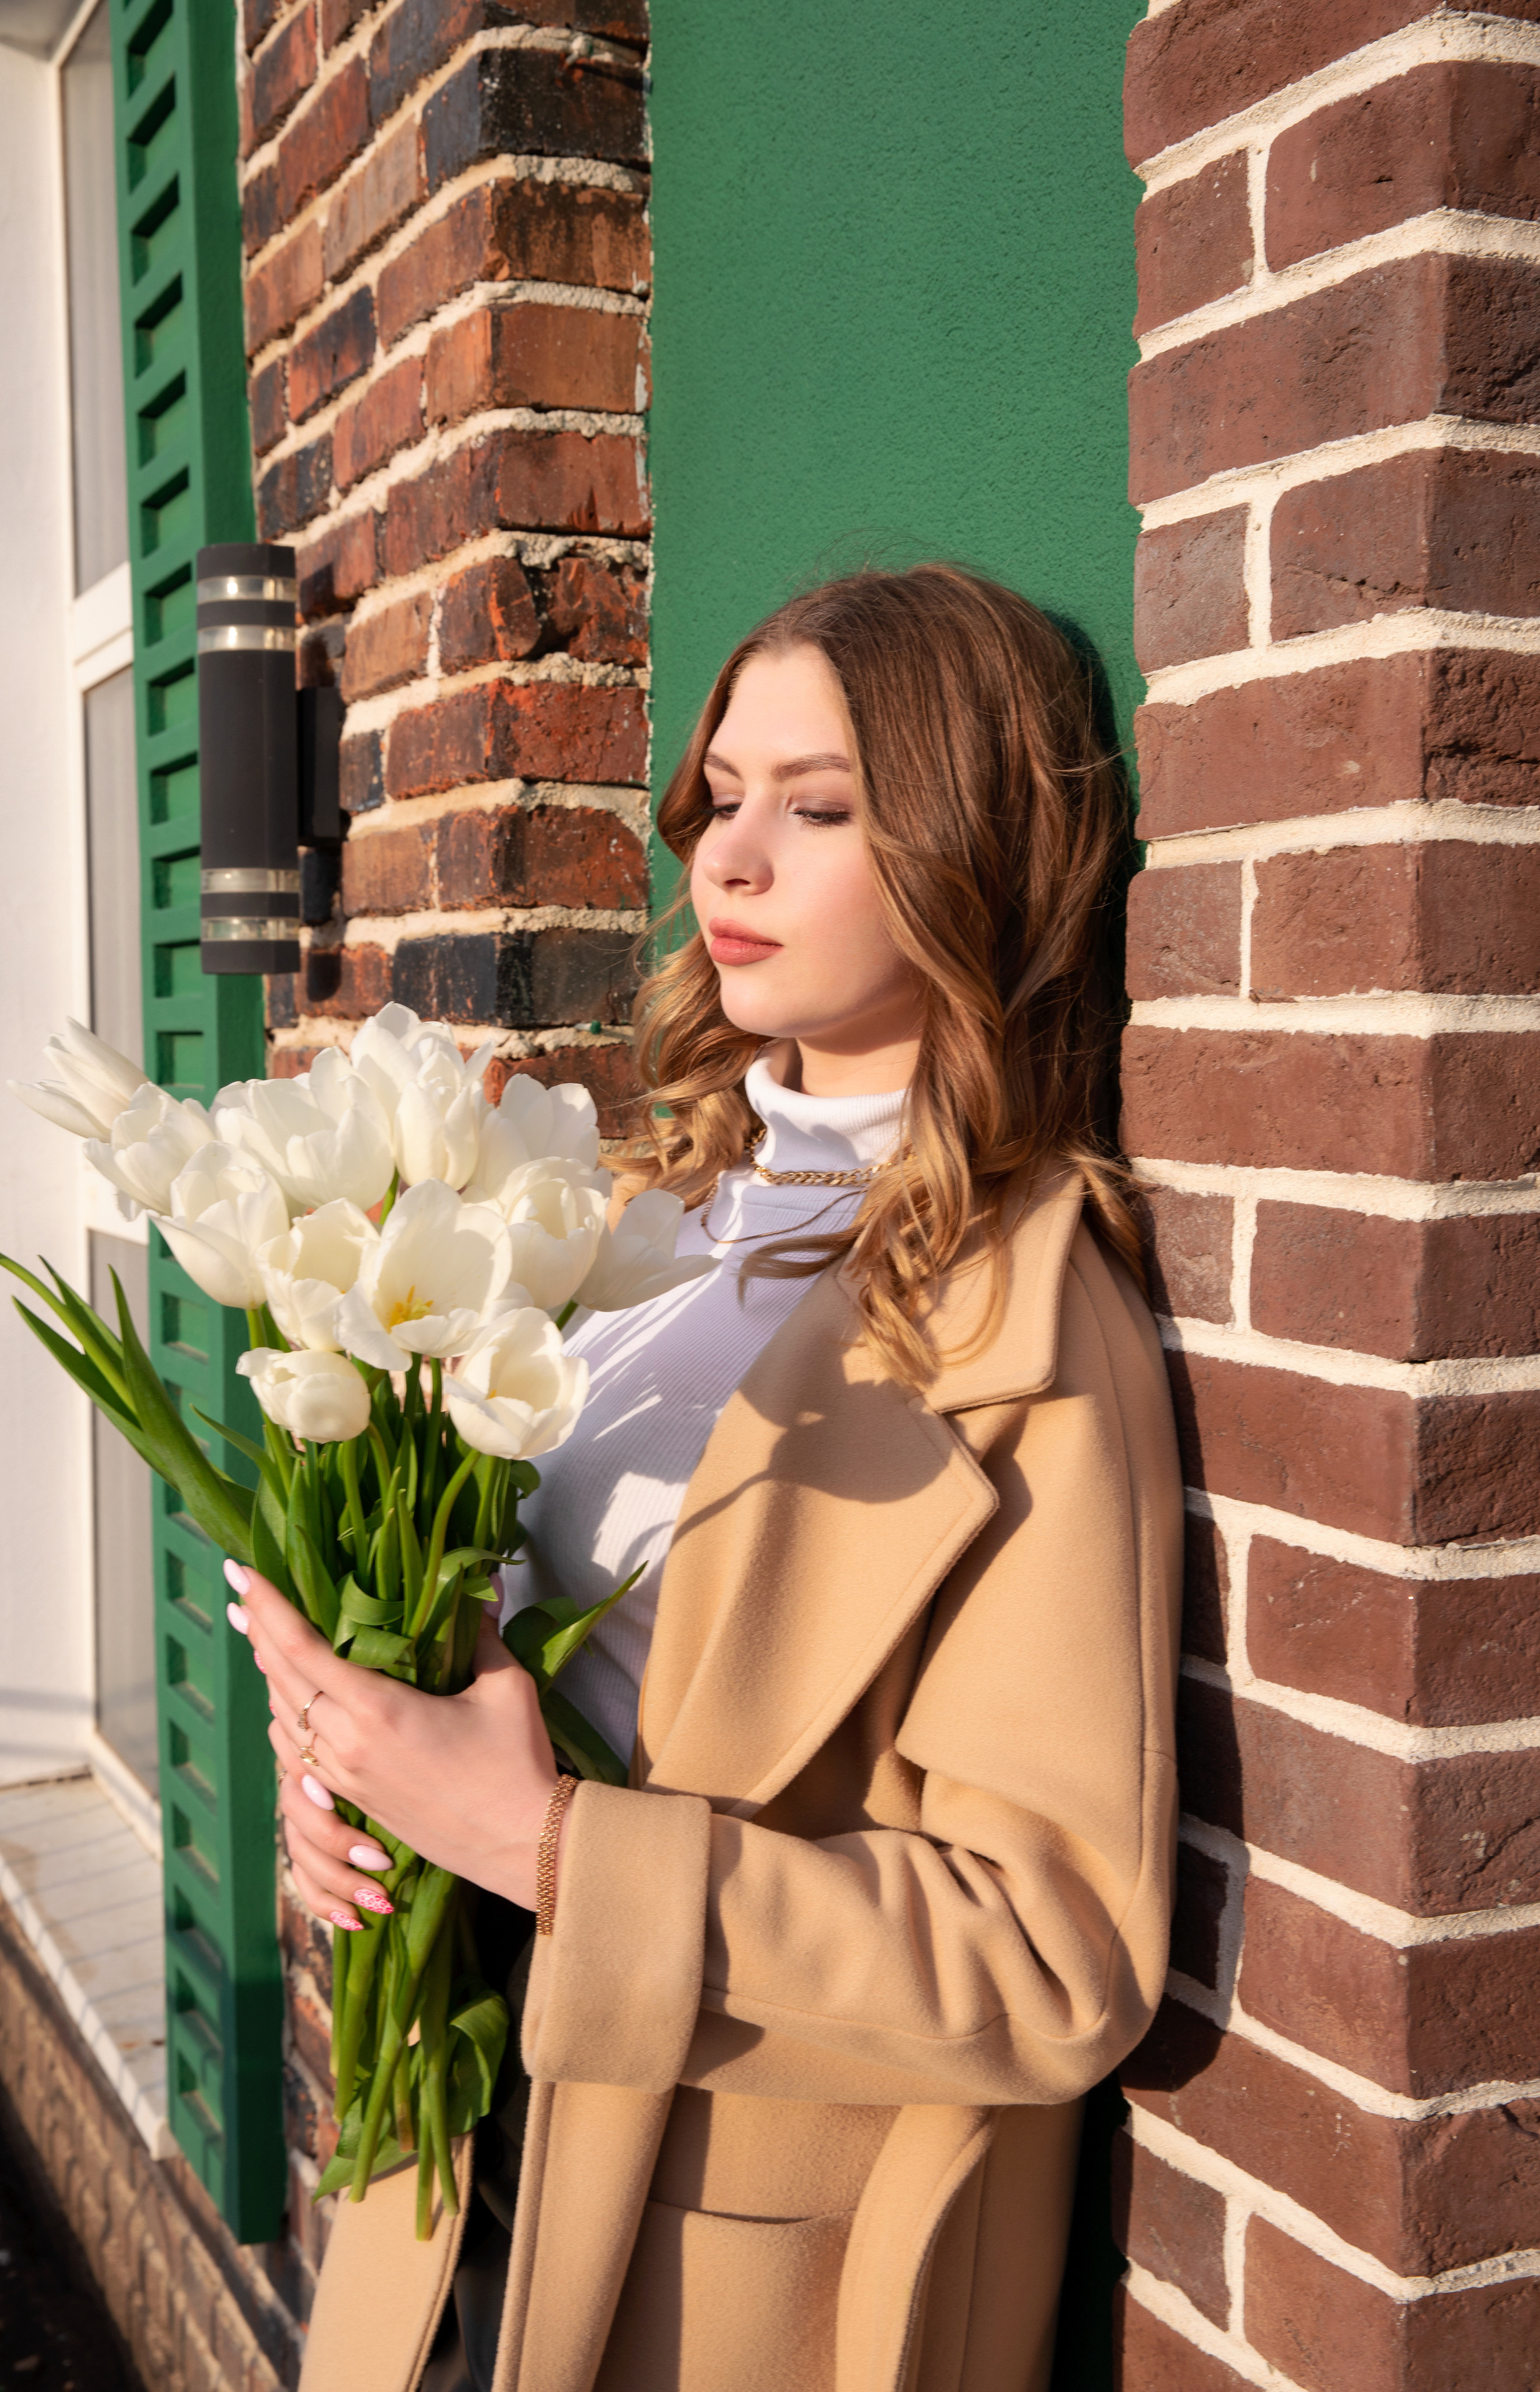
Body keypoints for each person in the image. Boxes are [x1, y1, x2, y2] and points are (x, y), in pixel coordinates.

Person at [230, 564, 1184, 2392]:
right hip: (458, 2151)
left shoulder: (1036, 1331)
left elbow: (1056, 1957)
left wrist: (549, 1847)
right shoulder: (646, 1220)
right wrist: (371, 1782)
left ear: (974, 844)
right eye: (721, 799)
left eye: (817, 809)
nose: (729, 861)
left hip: (712, 2261)